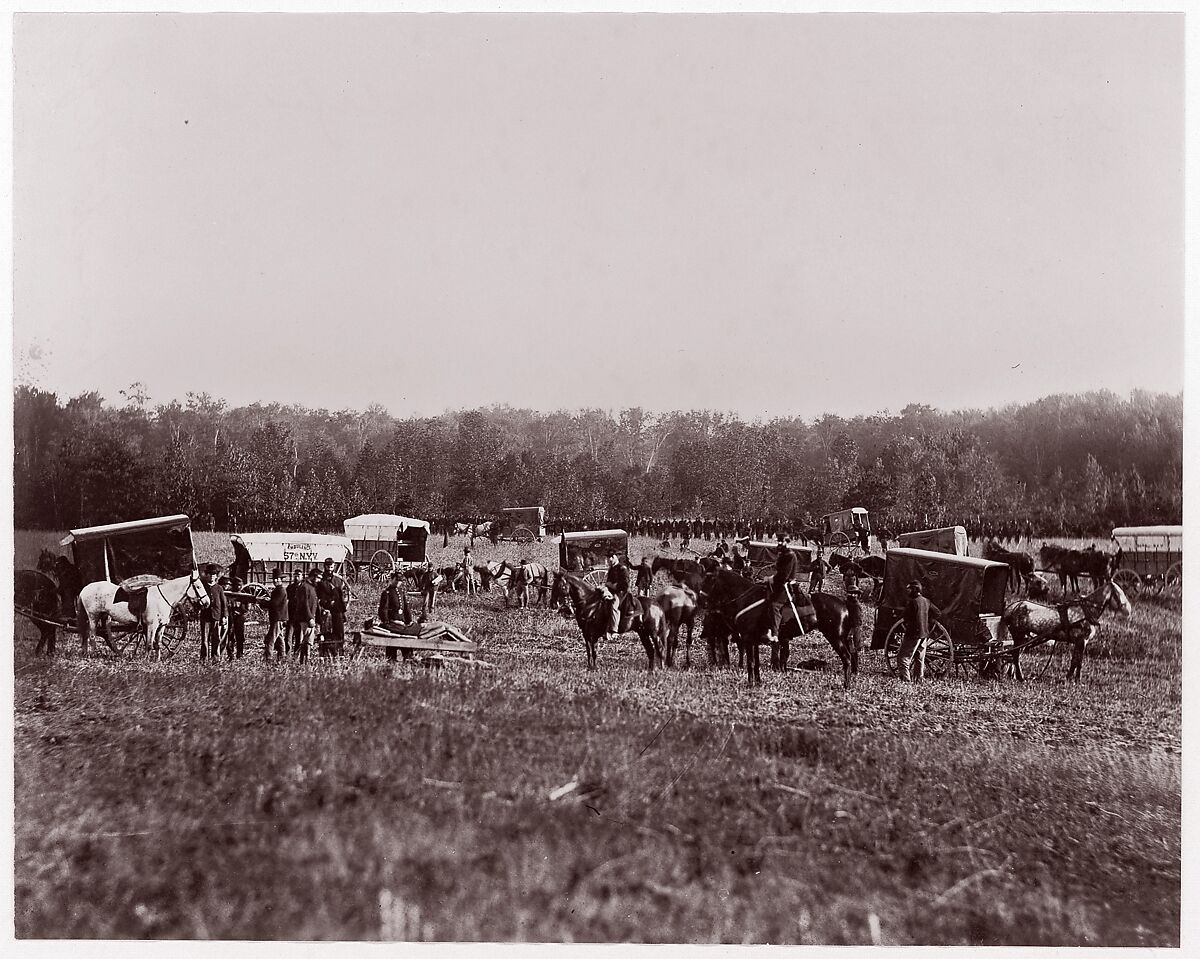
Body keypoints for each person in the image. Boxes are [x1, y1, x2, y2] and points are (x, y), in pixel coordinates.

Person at [897, 581, 943, 683]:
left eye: (909, 589)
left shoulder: (912, 602)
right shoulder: (926, 601)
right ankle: (919, 680)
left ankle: (906, 681)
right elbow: (937, 613)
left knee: (903, 658)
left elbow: (905, 617)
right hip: (924, 635)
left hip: (913, 634)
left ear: (914, 590)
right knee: (919, 658)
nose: (907, 591)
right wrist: (926, 620)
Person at [765, 539, 796, 645]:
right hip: (780, 585)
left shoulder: (790, 555)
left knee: (775, 606)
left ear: (787, 543)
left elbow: (784, 576)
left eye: (781, 542)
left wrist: (771, 579)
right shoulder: (784, 555)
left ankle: (775, 634)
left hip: (785, 586)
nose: (779, 543)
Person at [378, 571, 415, 662]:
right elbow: (383, 609)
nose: (398, 582)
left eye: (400, 581)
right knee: (392, 644)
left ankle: (408, 657)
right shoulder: (387, 593)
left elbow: (406, 607)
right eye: (396, 580)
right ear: (392, 579)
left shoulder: (401, 592)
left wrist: (409, 620)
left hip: (402, 622)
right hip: (393, 622)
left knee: (407, 639)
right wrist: (386, 621)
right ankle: (391, 659)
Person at [198, 564, 226, 660]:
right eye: (209, 574)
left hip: (216, 616)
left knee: (216, 639)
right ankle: (204, 658)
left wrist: (224, 616)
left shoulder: (219, 588)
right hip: (205, 616)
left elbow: (223, 604)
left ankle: (215, 658)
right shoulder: (203, 587)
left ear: (216, 576)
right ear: (206, 575)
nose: (211, 576)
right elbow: (198, 600)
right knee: (204, 639)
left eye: (213, 574)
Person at [294, 570, 321, 664]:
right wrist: (310, 617)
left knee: (308, 641)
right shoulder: (305, 587)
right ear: (313, 577)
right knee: (304, 641)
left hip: (308, 619)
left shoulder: (311, 587)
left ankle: (305, 660)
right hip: (304, 620)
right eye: (318, 578)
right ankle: (301, 661)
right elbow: (304, 604)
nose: (319, 581)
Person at [264, 569, 288, 660]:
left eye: (277, 579)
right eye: (274, 579)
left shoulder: (281, 591)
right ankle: (282, 657)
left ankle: (268, 658)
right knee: (280, 638)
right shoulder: (278, 590)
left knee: (270, 639)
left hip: (277, 618)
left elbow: (274, 604)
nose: (275, 581)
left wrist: (264, 602)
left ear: (281, 580)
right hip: (279, 618)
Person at [225, 576, 247, 659]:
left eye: (239, 585)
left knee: (240, 636)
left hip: (240, 617)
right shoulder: (229, 594)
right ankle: (230, 653)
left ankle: (240, 653)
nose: (238, 587)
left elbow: (247, 607)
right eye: (236, 585)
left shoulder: (244, 595)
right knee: (230, 635)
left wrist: (240, 611)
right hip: (230, 617)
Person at [286, 570, 305, 656]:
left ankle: (296, 655)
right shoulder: (289, 588)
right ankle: (288, 655)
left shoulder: (304, 588)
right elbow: (286, 602)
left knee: (299, 638)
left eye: (298, 576)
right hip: (291, 617)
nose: (296, 577)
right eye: (295, 575)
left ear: (302, 577)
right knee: (288, 638)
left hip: (300, 618)